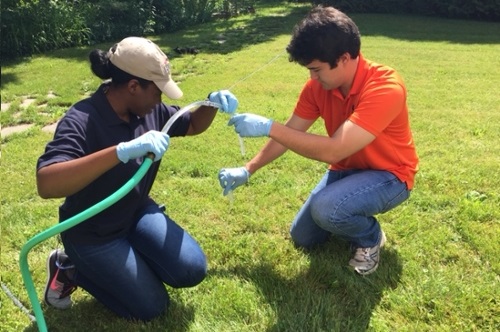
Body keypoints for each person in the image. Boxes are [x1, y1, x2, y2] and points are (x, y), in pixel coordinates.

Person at [37, 36, 238, 320]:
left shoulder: (149, 109)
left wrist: (211, 104)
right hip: (93, 235)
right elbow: (47, 183)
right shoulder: (81, 119)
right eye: (157, 93)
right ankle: (69, 267)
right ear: (133, 86)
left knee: (191, 268)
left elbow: (192, 124)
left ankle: (130, 259)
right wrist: (119, 152)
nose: (161, 101)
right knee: (152, 308)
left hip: (135, 213)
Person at [218, 6, 418, 275]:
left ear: (344, 58)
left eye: (316, 69)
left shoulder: (385, 87)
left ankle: (370, 237)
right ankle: (348, 213)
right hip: (347, 171)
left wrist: (268, 126)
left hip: (390, 175)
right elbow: (290, 133)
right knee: (303, 236)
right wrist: (248, 169)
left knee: (328, 209)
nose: (312, 77)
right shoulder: (318, 87)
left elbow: (335, 150)